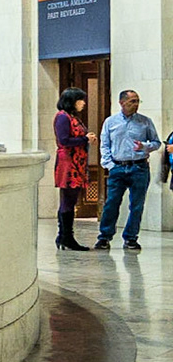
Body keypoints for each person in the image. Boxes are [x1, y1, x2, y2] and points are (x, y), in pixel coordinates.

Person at [96, 90, 161, 250]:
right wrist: (110, 165)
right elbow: (104, 145)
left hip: (139, 167)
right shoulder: (110, 122)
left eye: (138, 101)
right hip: (118, 167)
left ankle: (131, 237)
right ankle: (104, 237)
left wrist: (144, 146)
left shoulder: (145, 122)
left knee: (137, 205)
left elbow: (156, 142)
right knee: (112, 203)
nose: (136, 104)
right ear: (122, 103)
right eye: (132, 101)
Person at [53, 87, 90, 251]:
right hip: (68, 163)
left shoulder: (73, 117)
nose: (83, 103)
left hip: (77, 162)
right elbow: (64, 140)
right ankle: (66, 236)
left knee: (71, 200)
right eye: (80, 100)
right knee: (68, 200)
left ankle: (64, 236)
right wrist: (84, 139)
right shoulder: (62, 117)